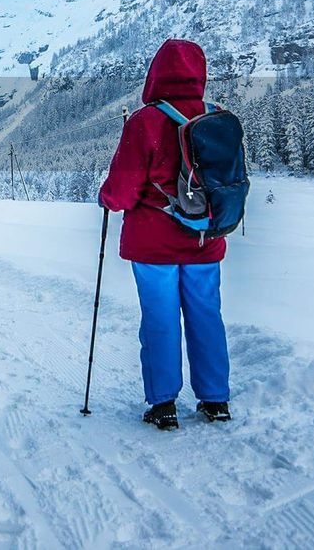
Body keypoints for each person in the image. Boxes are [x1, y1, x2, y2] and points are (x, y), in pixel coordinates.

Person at [99, 39, 231, 430]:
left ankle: (163, 403)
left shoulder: (146, 122)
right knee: (206, 314)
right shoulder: (217, 118)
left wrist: (106, 198)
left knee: (160, 318)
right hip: (205, 240)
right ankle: (214, 399)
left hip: (154, 245)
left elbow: (122, 190)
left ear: (156, 74)